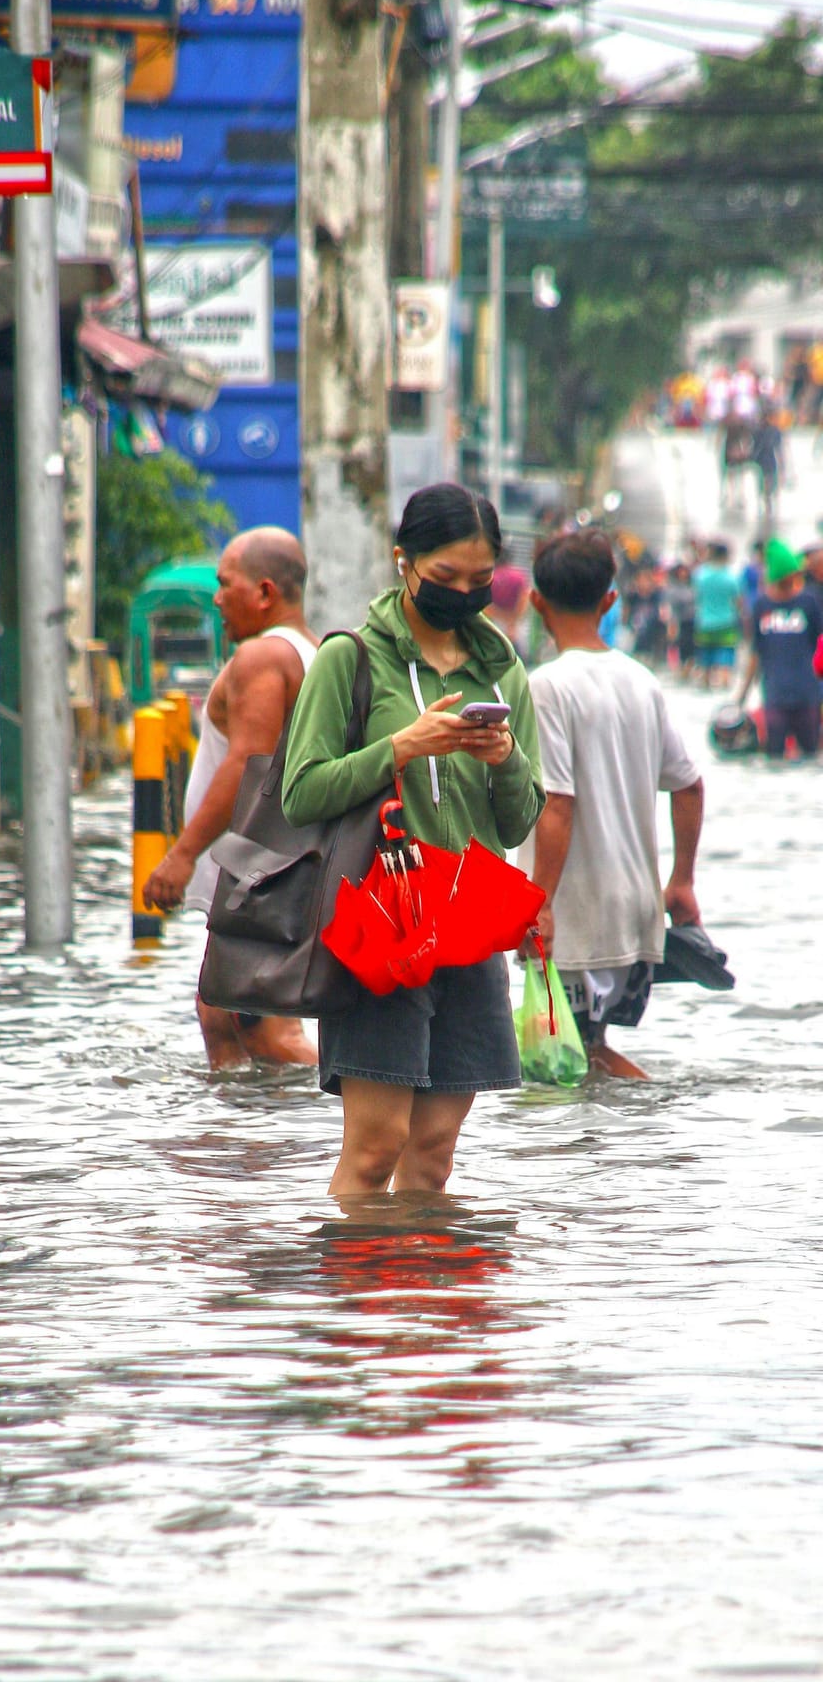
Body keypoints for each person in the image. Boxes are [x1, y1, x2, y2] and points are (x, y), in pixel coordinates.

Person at [282, 483, 545, 1197]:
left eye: (479, 579)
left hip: (470, 921)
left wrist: (506, 759)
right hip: (382, 920)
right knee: (375, 1148)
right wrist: (400, 747)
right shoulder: (351, 660)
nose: (463, 593)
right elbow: (301, 793)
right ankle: (361, 1301)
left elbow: (521, 820)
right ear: (404, 563)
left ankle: (423, 1301)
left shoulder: (501, 671)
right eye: (445, 578)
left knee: (432, 1153)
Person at [525, 530, 704, 1079]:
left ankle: (662, 1122)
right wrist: (681, 880)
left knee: (568, 1062)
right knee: (576, 1060)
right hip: (635, 909)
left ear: (535, 602)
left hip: (578, 910)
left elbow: (557, 802)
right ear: (610, 600)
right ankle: (625, 1159)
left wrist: (541, 903)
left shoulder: (547, 686)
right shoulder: (642, 681)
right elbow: (689, 786)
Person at [142, 528, 320, 1069]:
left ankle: (347, 1125)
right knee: (220, 1016)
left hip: (262, 872)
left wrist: (182, 853)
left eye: (225, 584)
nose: (216, 598)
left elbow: (247, 762)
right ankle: (242, 1146)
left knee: (266, 1033)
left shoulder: (262, 658)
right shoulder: (308, 652)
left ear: (264, 593)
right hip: (273, 867)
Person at [736, 539, 823, 760]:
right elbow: (755, 653)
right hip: (774, 696)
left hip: (808, 695)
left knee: (810, 755)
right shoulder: (762, 606)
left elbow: (820, 646)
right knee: (773, 756)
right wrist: (741, 698)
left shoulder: (808, 603)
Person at [692, 541, 742, 689]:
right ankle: (725, 683)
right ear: (725, 556)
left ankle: (706, 681)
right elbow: (738, 601)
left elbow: (697, 597)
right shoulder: (731, 578)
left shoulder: (700, 575)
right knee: (726, 657)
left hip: (704, 622)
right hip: (727, 622)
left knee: (705, 657)